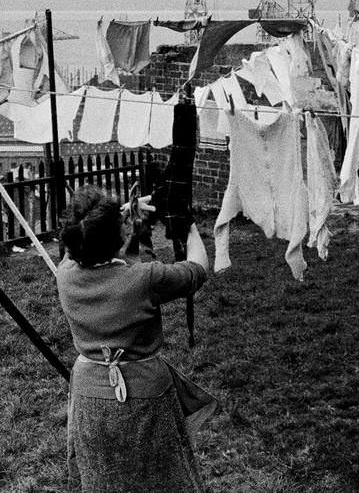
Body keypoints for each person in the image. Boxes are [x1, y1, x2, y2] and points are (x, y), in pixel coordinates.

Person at [56, 185, 214, 493]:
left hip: (89, 395)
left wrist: (118, 215)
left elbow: (90, 242)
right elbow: (197, 270)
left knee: (103, 477)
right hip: (146, 394)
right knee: (161, 477)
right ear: (122, 236)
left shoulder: (64, 274)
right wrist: (189, 225)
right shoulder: (146, 279)